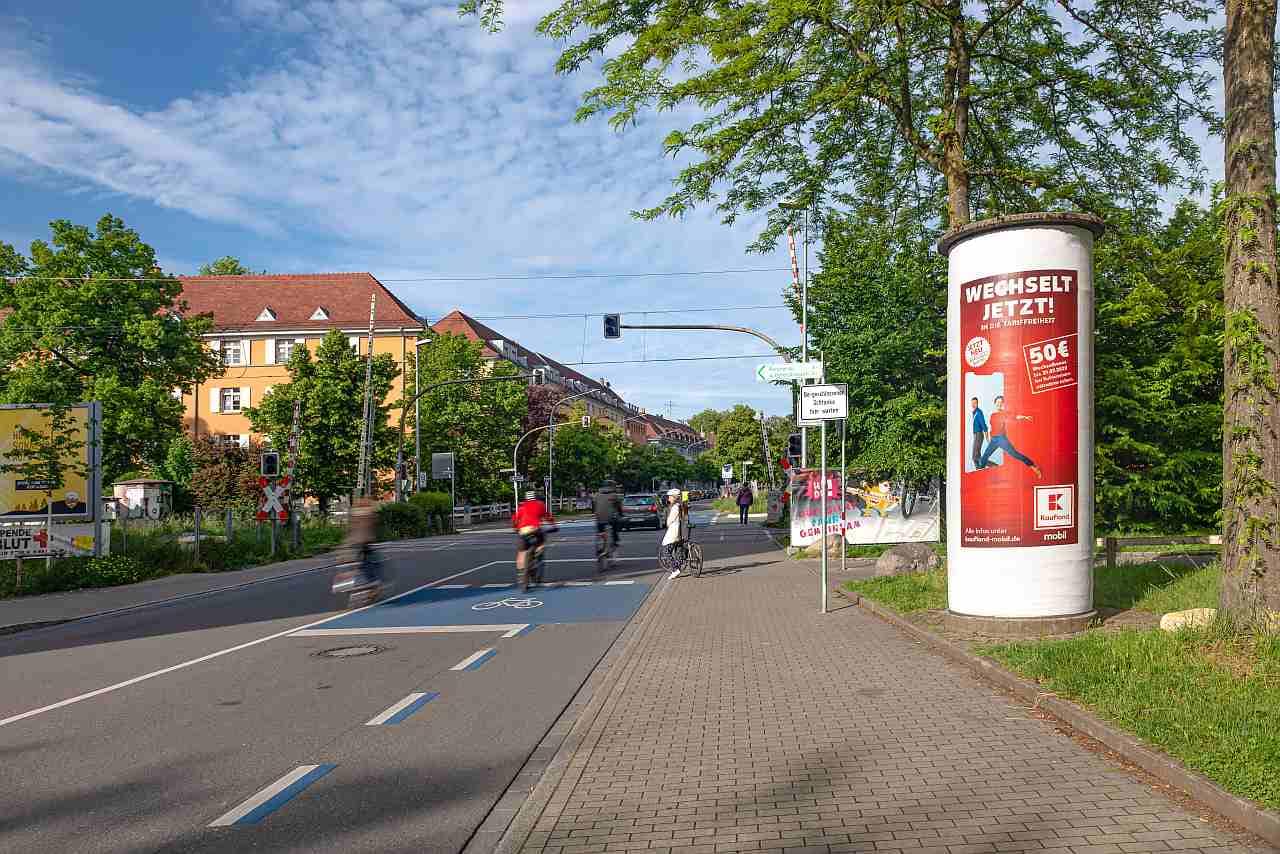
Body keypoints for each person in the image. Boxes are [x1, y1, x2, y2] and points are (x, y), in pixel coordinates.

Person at [331, 495, 383, 605]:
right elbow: (373, 527)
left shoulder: (354, 513)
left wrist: (344, 545)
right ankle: (372, 586)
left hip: (353, 542)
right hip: (364, 543)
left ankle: (354, 585)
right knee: (370, 564)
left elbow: (349, 529)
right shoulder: (369, 512)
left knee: (355, 564)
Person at [977, 395, 1043, 478]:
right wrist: (990, 437)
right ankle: (979, 476)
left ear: (1003, 404)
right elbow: (993, 427)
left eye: (1001, 402)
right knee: (984, 458)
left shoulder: (1005, 413)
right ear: (995, 403)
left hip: (1001, 439)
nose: (999, 404)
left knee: (1015, 454)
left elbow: (1015, 416)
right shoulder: (992, 415)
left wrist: (1024, 417)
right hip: (993, 439)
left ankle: (1034, 467)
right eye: (998, 402)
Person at [512, 489, 556, 579]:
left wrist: (515, 528)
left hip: (523, 530)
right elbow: (548, 517)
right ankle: (539, 551)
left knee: (521, 552)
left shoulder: (522, 506)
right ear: (536, 497)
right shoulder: (540, 504)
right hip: (535, 529)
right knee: (541, 541)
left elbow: (515, 519)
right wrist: (553, 525)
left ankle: (521, 574)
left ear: (526, 498)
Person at [661, 488, 689, 577]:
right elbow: (685, 517)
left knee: (666, 551)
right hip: (682, 531)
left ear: (674, 497)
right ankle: (679, 565)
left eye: (670, 497)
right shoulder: (682, 505)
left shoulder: (675, 507)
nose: (668, 498)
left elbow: (670, 520)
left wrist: (667, 523)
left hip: (675, 531)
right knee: (679, 550)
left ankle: (675, 569)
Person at [592, 481, 623, 552]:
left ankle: (600, 540)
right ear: (612, 486)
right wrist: (621, 514)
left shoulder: (597, 495)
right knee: (615, 526)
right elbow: (618, 507)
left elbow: (594, 505)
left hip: (599, 517)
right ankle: (615, 540)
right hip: (610, 517)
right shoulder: (614, 495)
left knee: (600, 529)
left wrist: (595, 512)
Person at [969, 397, 989, 471]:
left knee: (975, 456)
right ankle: (980, 470)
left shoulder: (978, 412)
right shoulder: (974, 413)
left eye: (975, 403)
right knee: (977, 456)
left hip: (979, 435)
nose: (973, 404)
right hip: (976, 435)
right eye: (972, 403)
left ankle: (993, 465)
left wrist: (987, 437)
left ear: (977, 404)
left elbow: (983, 425)